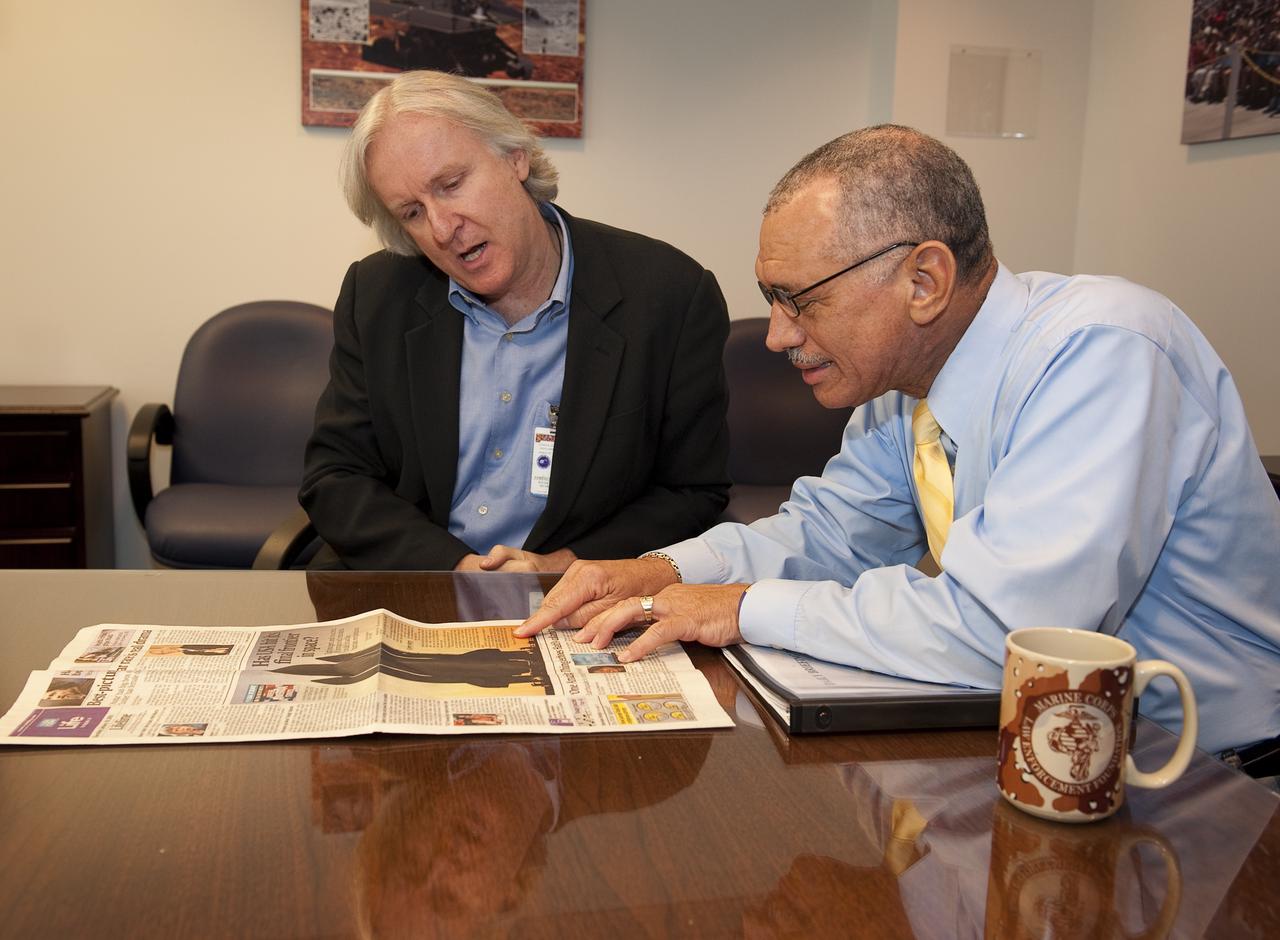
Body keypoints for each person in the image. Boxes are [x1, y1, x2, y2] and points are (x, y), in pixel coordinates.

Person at [519, 125, 1280, 766]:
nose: (779, 335)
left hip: (1203, 777)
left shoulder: (1104, 350)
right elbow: (827, 532)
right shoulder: (908, 387)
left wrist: (742, 606)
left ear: (924, 280)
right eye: (770, 301)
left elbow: (1002, 633)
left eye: (802, 301)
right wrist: (658, 572)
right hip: (1049, 746)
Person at [301, 70, 730, 572]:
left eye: (452, 184)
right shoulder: (376, 295)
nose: (442, 228)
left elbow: (692, 491)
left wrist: (564, 565)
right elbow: (336, 475)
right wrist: (454, 569)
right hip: (415, 584)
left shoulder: (669, 295)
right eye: (412, 212)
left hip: (579, 598)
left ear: (515, 158)